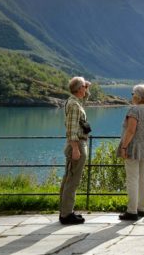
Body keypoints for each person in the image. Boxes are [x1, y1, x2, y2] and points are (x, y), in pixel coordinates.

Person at [118, 83, 144, 221]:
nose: (131, 96)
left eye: (132, 93)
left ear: (137, 96)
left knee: (132, 179)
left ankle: (131, 211)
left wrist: (123, 147)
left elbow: (131, 131)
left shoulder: (134, 110)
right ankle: (142, 208)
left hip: (133, 148)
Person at [58, 76, 91, 225]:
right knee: (73, 180)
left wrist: (87, 88)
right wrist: (76, 149)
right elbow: (71, 130)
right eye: (84, 86)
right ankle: (66, 214)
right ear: (79, 89)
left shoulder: (75, 102)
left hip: (76, 145)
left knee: (69, 179)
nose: (86, 88)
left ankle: (66, 211)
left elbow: (83, 102)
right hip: (77, 145)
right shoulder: (74, 105)